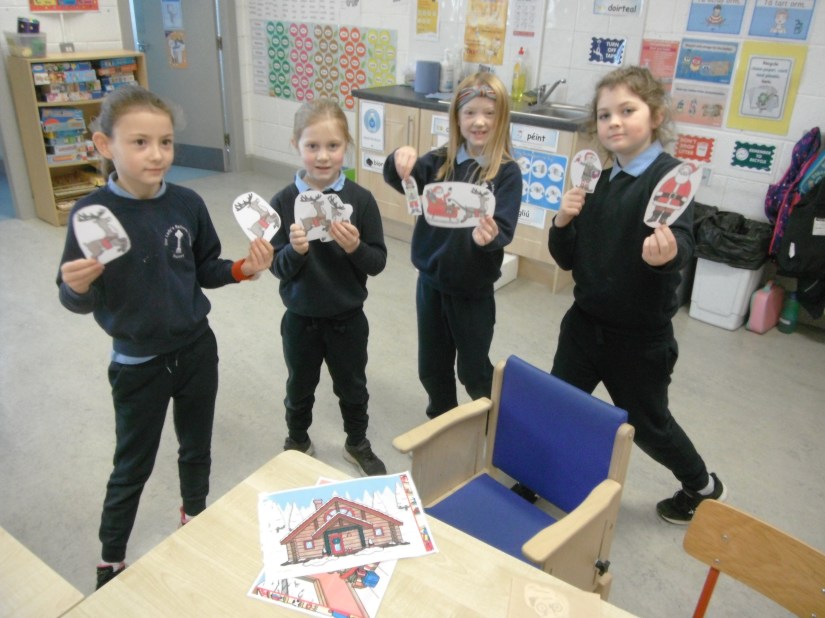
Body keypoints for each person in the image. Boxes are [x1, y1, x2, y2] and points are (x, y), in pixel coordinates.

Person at [56, 85, 274, 589]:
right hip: (138, 365)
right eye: (140, 142)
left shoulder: (187, 203)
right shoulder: (90, 216)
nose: (156, 154)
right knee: (132, 464)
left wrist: (244, 268)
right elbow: (75, 299)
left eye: (166, 142)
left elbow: (206, 268)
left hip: (196, 349)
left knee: (197, 446)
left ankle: (194, 515)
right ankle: (111, 559)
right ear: (104, 145)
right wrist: (76, 287)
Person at [547, 66, 725, 524]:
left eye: (627, 110)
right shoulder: (598, 180)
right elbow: (566, 258)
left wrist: (668, 253)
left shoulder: (669, 179)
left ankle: (702, 485)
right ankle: (537, 472)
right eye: (605, 114)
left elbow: (682, 241)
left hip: (638, 340)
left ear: (656, 116)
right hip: (584, 325)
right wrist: (562, 221)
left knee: (649, 427)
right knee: (558, 405)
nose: (614, 122)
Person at [383, 72, 521, 418]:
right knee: (431, 368)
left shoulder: (506, 173)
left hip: (472, 292)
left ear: (502, 119)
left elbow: (504, 228)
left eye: (489, 113)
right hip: (430, 286)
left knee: (473, 372)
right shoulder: (438, 162)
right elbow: (400, 179)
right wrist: (399, 158)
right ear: (457, 118)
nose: (479, 121)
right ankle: (441, 422)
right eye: (470, 112)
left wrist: (490, 237)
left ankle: (495, 424)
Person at [269, 99, 388, 476]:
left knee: (353, 386)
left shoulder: (361, 200)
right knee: (299, 386)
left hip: (347, 318)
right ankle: (297, 440)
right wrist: (294, 252)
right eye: (312, 146)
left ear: (346, 146)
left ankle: (357, 442)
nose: (323, 156)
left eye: (333, 146)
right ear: (296, 144)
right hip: (300, 317)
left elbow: (378, 262)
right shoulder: (282, 202)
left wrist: (355, 248)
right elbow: (275, 266)